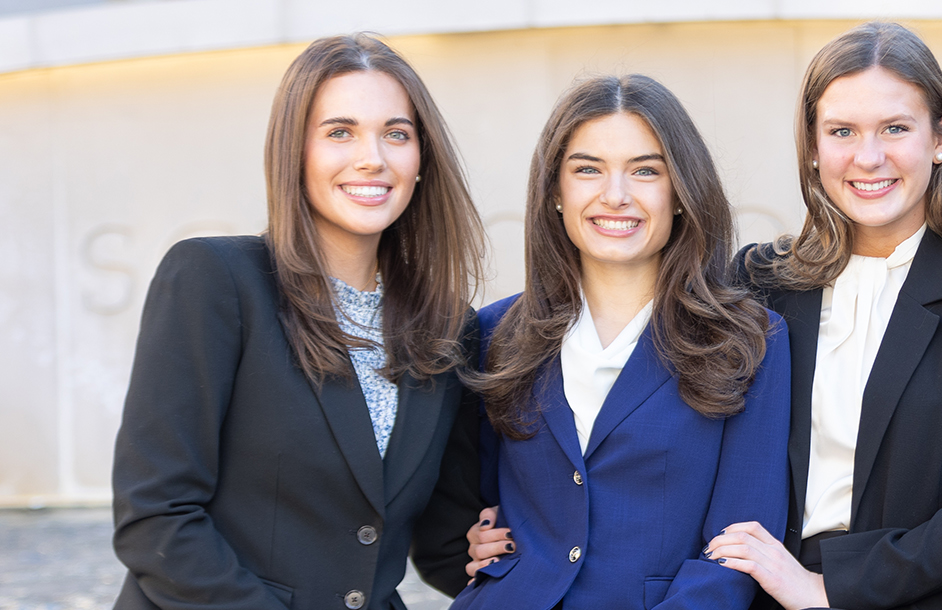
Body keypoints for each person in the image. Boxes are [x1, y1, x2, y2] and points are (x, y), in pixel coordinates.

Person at [111, 33, 486, 609]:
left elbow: (435, 540)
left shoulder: (446, 327)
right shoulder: (216, 280)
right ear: (295, 152)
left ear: (421, 160)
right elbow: (157, 519)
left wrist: (491, 550)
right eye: (340, 132)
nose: (373, 157)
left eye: (396, 134)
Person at [703, 21, 942, 610]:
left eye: (895, 128)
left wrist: (827, 589)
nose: (868, 157)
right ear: (813, 148)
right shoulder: (761, 282)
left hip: (932, 596)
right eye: (842, 131)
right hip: (765, 591)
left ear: (941, 140)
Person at [417, 73, 792, 610]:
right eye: (587, 169)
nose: (615, 195)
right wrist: (476, 546)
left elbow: (737, 552)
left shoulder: (750, 340)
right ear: (554, 191)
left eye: (645, 171)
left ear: (682, 192)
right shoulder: (495, 334)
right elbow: (472, 511)